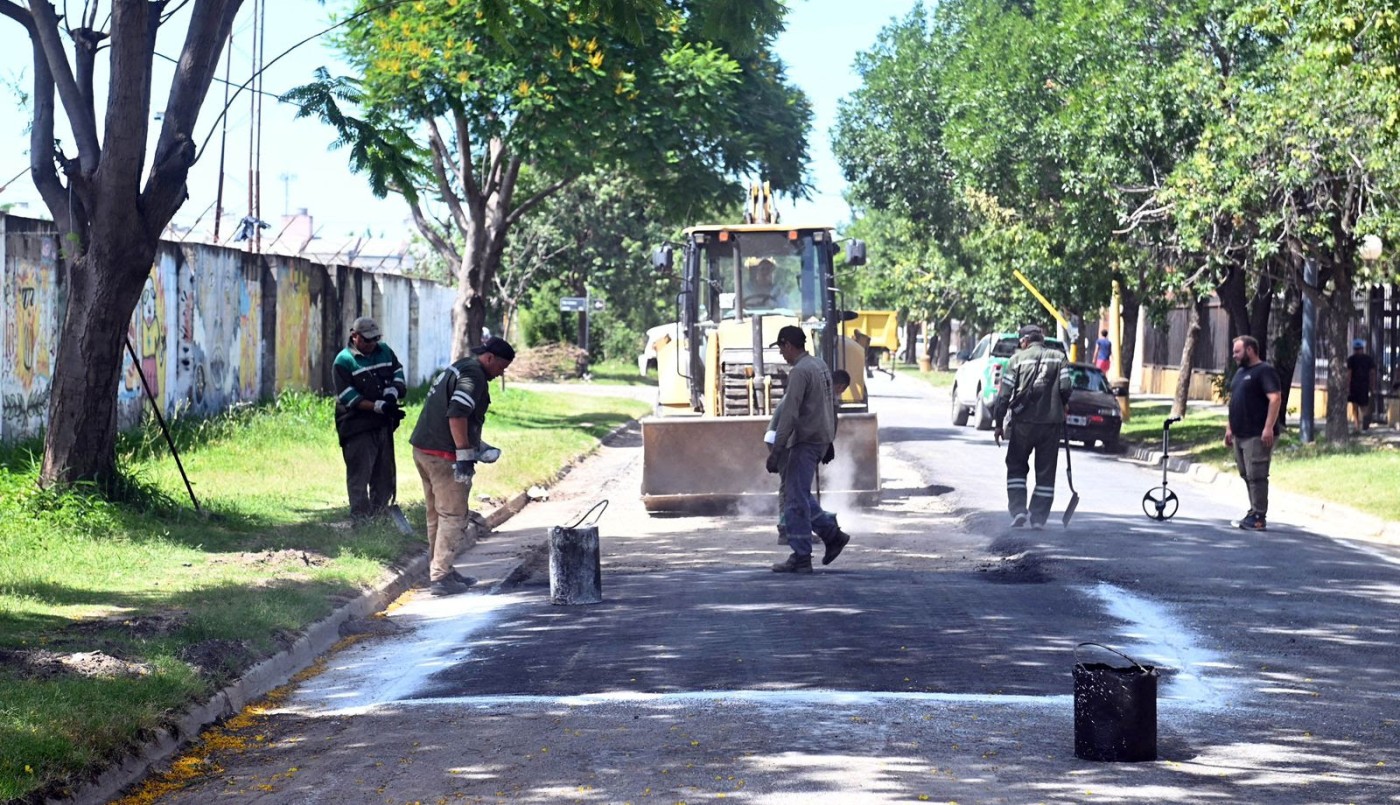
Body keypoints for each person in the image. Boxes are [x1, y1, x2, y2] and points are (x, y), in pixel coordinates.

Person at [409, 336, 516, 596]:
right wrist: (465, 455)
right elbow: (457, 413)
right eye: (501, 367)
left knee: (437, 514)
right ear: (489, 358)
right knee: (454, 516)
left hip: (423, 449)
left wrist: (478, 445)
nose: (501, 373)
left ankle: (441, 567)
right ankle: (441, 576)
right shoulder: (474, 376)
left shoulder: (462, 365)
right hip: (443, 455)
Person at [764, 325, 836, 573]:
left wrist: (776, 451)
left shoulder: (799, 372)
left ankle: (802, 556)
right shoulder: (820, 366)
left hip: (804, 443)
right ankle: (832, 534)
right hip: (819, 439)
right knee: (801, 494)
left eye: (781, 348)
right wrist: (829, 438)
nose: (782, 354)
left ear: (788, 345)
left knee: (794, 500)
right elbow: (829, 404)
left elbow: (790, 415)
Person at [992, 324, 1071, 529]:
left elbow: (1004, 396)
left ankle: (1018, 510)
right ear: (1041, 339)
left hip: (1023, 425)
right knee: (1046, 471)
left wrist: (999, 424)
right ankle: (1038, 518)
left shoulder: (1016, 360)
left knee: (1017, 465)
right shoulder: (1059, 357)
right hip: (1050, 424)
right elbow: (1066, 387)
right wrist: (1063, 405)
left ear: (1024, 341)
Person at [771, 369, 852, 563]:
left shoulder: (816, 393)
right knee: (796, 493)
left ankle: (803, 549)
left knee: (796, 494)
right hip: (790, 443)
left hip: (793, 444)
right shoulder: (820, 395)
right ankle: (824, 538)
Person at [333, 316, 407, 524]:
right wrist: (377, 406)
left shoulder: (384, 351)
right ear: (354, 336)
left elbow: (398, 372)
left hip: (382, 424)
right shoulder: (344, 361)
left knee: (384, 473)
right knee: (360, 474)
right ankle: (360, 519)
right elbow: (348, 396)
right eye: (367, 340)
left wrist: (393, 392)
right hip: (357, 425)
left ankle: (381, 515)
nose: (372, 344)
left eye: (375, 339)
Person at [1224, 335, 1282, 531]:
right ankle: (1253, 510)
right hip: (1240, 434)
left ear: (1250, 350)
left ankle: (1259, 516)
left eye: (1237, 351)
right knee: (1246, 474)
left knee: (1257, 474)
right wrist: (1229, 428)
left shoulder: (1264, 371)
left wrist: (1268, 427)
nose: (1234, 356)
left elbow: (1275, 399)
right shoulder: (1240, 372)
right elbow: (1234, 402)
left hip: (1257, 434)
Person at [1346, 338, 1378, 433]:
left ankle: (1358, 426)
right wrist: (1372, 385)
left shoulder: (1351, 359)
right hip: (1363, 385)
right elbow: (1372, 373)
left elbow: (1349, 374)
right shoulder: (1368, 359)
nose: (1358, 350)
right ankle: (1363, 426)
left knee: (1357, 406)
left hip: (1356, 385)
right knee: (1363, 406)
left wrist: (1347, 386)